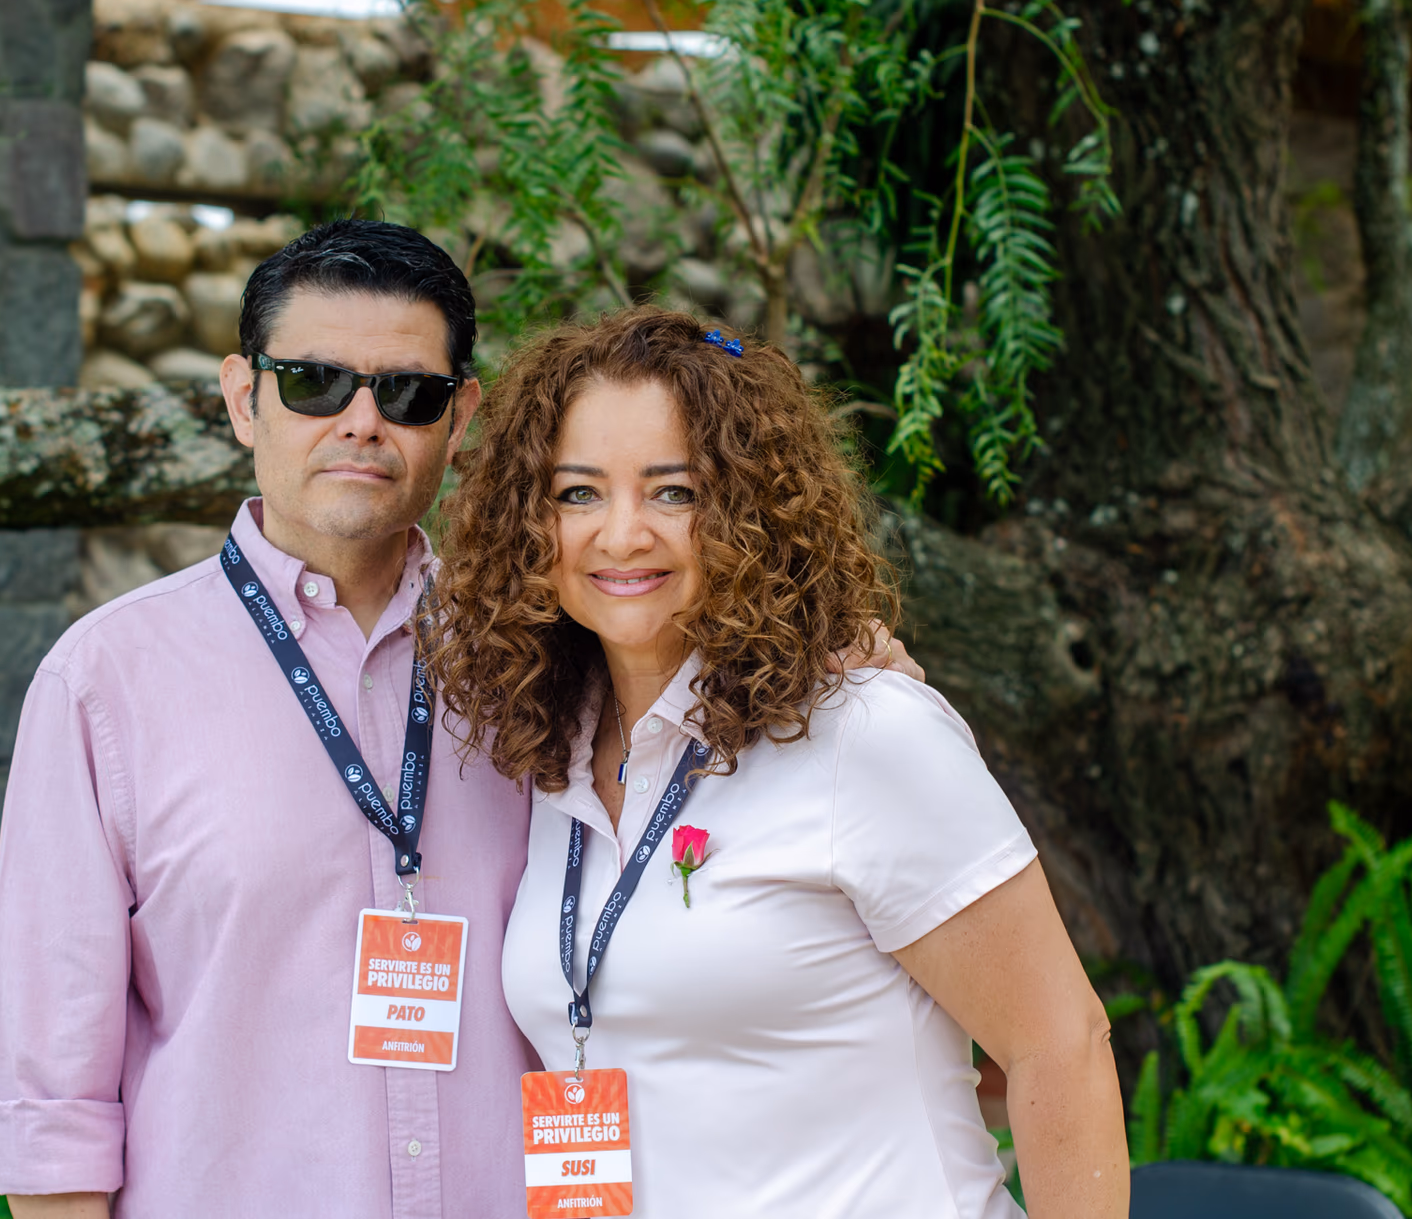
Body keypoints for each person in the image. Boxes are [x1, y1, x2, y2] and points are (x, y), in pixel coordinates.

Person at [0, 221, 920, 1218]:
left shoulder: (556, 649)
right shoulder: (105, 681)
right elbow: (49, 1100)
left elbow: (738, 708)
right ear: (244, 398)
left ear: (459, 419)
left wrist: (842, 657)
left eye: (408, 393)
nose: (362, 422)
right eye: (315, 382)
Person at [426, 308, 1129, 1218]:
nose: (624, 533)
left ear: (746, 510)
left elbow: (1059, 1046)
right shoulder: (548, 754)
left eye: (673, 491)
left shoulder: (863, 733)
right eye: (578, 493)